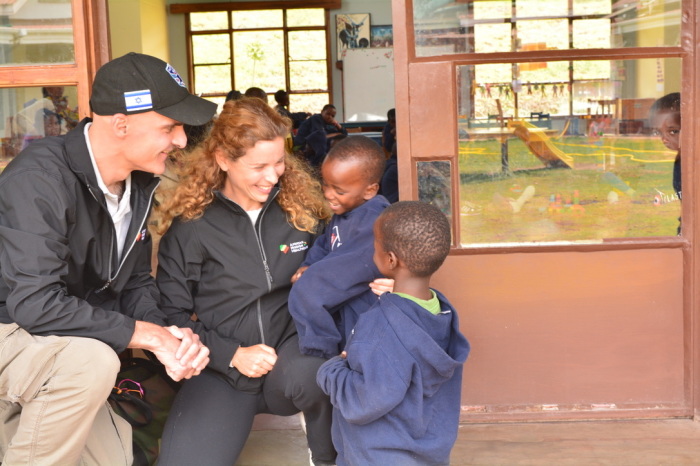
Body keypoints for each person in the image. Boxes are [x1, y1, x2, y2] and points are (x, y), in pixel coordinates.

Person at [0, 52, 214, 465]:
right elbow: (35, 305)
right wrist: (148, 337)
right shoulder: (39, 181)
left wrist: (167, 333)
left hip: (57, 342)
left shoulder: (137, 184)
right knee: (91, 363)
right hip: (13, 327)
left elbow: (132, 282)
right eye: (169, 127)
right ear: (121, 123)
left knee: (115, 458)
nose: (182, 140)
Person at [153, 97, 337, 466]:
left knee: (317, 373)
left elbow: (336, 265)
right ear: (223, 159)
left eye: (279, 163)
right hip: (222, 369)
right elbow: (170, 314)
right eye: (259, 166)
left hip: (291, 356)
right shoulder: (191, 227)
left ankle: (329, 458)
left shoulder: (300, 211)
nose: (273, 176)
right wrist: (232, 355)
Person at [317, 201, 471, 466]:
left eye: (375, 243)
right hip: (427, 454)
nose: (372, 248)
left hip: (378, 456)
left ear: (390, 260)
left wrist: (332, 370)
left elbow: (365, 402)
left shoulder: (380, 327)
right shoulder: (441, 313)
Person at [289, 135, 389, 359]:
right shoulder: (343, 213)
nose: (328, 194)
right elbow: (325, 244)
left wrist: (311, 280)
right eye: (325, 184)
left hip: (364, 316)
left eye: (339, 191)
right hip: (342, 308)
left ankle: (321, 353)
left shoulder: (375, 223)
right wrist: (309, 264)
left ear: (369, 191)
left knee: (307, 292)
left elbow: (353, 265)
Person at [649, 92, 681, 233]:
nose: (664, 139)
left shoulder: (692, 163)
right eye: (658, 132)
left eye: (673, 131)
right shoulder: (680, 160)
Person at [294, 104, 348, 169]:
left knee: (337, 139)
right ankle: (316, 165)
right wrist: (336, 134)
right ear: (322, 112)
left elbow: (344, 134)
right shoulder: (316, 118)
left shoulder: (327, 123)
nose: (330, 117)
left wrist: (337, 125)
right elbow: (319, 136)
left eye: (332, 116)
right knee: (321, 137)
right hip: (301, 146)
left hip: (311, 145)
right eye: (328, 114)